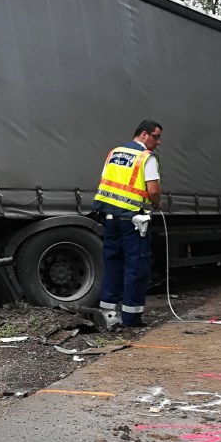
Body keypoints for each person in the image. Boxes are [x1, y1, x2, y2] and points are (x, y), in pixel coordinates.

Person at [91, 120, 163, 328]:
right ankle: (131, 317)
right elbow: (153, 190)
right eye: (156, 136)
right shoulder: (146, 158)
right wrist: (157, 204)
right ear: (143, 134)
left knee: (113, 263)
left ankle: (107, 313)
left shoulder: (114, 153)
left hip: (110, 219)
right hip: (133, 222)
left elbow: (106, 181)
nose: (158, 142)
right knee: (136, 266)